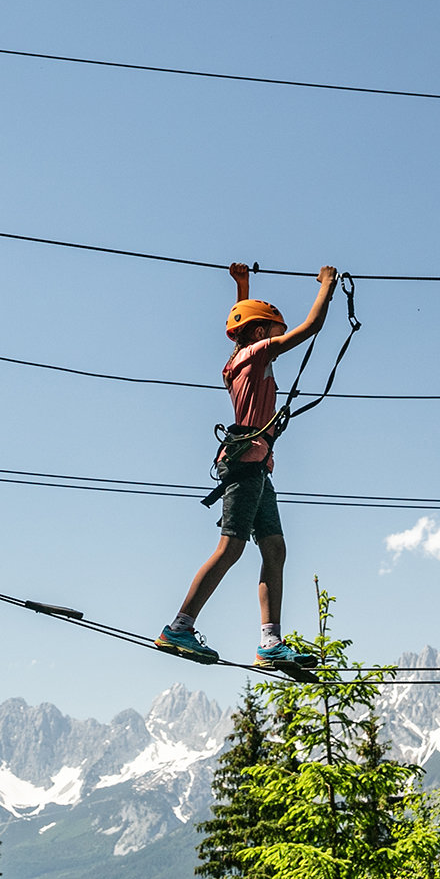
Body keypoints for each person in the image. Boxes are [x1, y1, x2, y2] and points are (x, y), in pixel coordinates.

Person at [156, 261, 340, 666]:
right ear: (260, 335)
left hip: (255, 465)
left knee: (274, 548)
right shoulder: (258, 353)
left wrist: (243, 287)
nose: (279, 340)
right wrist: (326, 285)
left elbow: (244, 326)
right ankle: (178, 628)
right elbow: (310, 328)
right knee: (231, 547)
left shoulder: (240, 358)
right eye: (275, 331)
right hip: (246, 464)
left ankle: (270, 643)